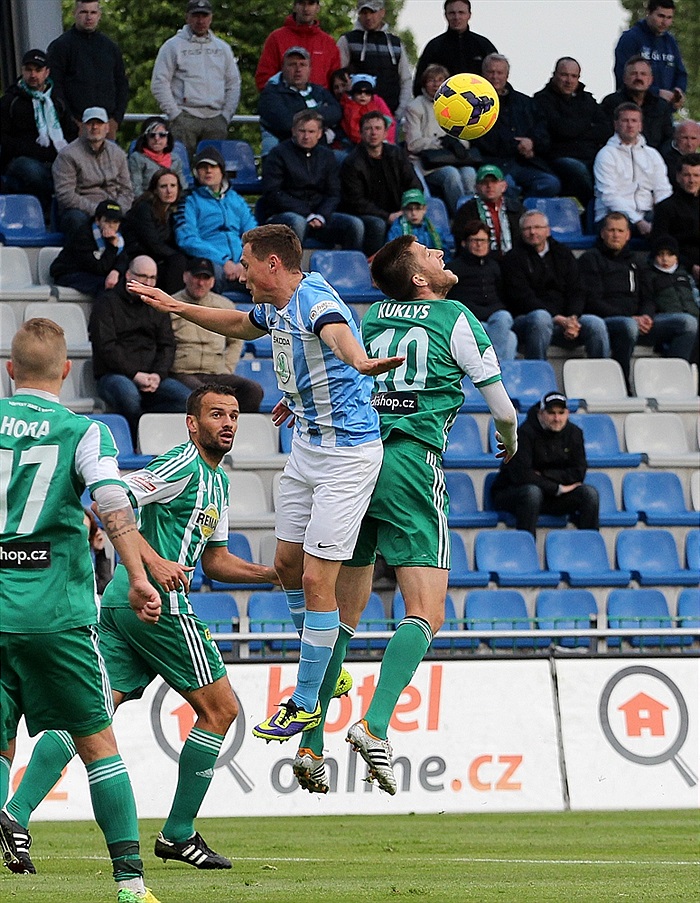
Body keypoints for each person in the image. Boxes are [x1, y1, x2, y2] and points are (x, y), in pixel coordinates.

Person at [129, 224, 403, 743]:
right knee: (286, 567)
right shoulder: (277, 306)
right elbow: (238, 322)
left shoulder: (316, 301)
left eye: (246, 262)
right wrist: (177, 306)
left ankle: (305, 700)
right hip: (307, 445)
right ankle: (326, 670)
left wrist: (361, 362)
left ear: (272, 264)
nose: (240, 272)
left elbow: (337, 335)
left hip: (347, 456)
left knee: (318, 580)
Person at [4, 384, 278, 875]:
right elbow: (116, 500)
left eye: (234, 416)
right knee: (221, 709)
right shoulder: (181, 464)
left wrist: (271, 575)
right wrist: (150, 564)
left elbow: (214, 561)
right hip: (156, 605)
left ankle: (14, 815)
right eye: (216, 414)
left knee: (89, 712)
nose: (228, 424)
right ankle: (178, 833)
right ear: (192, 424)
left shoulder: (218, 482)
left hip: (123, 606)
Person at [290, 234, 518, 795]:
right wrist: (510, 440)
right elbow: (503, 409)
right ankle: (373, 726)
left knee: (342, 617)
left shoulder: (372, 318)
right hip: (411, 465)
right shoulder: (455, 317)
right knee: (427, 611)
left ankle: (311, 743)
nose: (440, 255)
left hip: (356, 461)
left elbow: (336, 374)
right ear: (418, 279)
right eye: (428, 254)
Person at [0, 317, 162, 902]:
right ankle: (131, 886)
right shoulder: (82, 431)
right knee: (97, 743)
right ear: (68, 371)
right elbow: (111, 499)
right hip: (58, 613)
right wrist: (137, 576)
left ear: (10, 370)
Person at [579, 212, 697, 387]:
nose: (615, 235)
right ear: (603, 233)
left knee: (688, 323)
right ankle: (620, 382)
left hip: (639, 321)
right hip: (608, 321)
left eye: (620, 231)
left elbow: (648, 297)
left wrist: (646, 316)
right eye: (611, 230)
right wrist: (630, 318)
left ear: (628, 235)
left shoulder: (637, 261)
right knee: (628, 326)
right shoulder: (590, 259)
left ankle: (672, 382)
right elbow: (592, 301)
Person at [89, 256, 191, 439]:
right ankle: (140, 441)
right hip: (115, 374)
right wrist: (135, 375)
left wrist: (158, 375)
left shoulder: (158, 306)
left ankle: (158, 436)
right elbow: (106, 348)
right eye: (143, 276)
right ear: (128, 275)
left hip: (153, 377)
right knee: (129, 396)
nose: (148, 283)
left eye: (152, 278)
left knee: (187, 400)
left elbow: (167, 345)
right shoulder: (106, 303)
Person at [501, 210, 610, 361]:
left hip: (565, 319)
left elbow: (577, 289)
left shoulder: (563, 253)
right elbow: (522, 298)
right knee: (541, 318)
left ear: (548, 231)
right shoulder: (512, 258)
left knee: (595, 324)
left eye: (537, 227)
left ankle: (600, 373)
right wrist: (557, 318)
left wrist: (573, 318)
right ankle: (538, 371)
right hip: (528, 319)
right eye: (527, 228)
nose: (532, 232)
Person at [491, 391, 599, 537]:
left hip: (552, 495)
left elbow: (579, 472)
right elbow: (522, 475)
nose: (557, 418)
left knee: (589, 494)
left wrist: (545, 476)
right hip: (514, 493)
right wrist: (556, 487)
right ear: (541, 413)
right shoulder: (524, 433)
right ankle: (526, 545)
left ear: (567, 413)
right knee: (532, 493)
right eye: (551, 413)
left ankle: (590, 545)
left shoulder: (575, 433)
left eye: (561, 413)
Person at [257, 109, 364, 251]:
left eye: (311, 132)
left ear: (320, 133)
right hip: (285, 214)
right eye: (302, 131)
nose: (306, 136)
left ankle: (351, 265)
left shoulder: (327, 156)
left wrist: (321, 216)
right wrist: (307, 214)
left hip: (320, 215)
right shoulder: (278, 154)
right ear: (293, 131)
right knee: (298, 222)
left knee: (355, 225)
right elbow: (273, 192)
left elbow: (334, 193)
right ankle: (292, 265)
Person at [170, 257, 264, 411]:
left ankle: (236, 425)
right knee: (206, 395)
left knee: (253, 390)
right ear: (185, 277)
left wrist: (228, 367)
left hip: (217, 373)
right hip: (183, 373)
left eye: (206, 278)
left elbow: (236, 340)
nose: (201, 283)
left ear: (213, 281)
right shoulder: (172, 304)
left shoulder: (224, 305)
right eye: (197, 277)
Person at [151, 0, 242, 157]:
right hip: (184, 117)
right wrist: (175, 114)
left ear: (211, 18)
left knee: (213, 167)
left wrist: (226, 115)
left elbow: (233, 83)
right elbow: (159, 82)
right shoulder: (172, 46)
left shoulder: (223, 48)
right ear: (187, 17)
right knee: (180, 166)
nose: (200, 21)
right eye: (196, 16)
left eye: (204, 16)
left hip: (216, 119)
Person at [0, 48, 77, 213]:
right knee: (33, 172)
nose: (33, 75)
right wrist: (29, 149)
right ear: (22, 71)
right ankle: (45, 214)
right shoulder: (10, 101)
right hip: (19, 161)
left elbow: (71, 133)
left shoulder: (57, 102)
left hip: (56, 158)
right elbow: (4, 139)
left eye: (38, 70)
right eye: (28, 70)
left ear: (47, 72)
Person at [473, 53, 560, 199]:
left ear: (507, 75)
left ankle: (526, 209)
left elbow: (542, 131)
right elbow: (480, 139)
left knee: (551, 183)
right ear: (483, 74)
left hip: (526, 163)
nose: (495, 77)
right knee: (507, 187)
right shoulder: (473, 105)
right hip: (494, 165)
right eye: (491, 72)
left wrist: (532, 143)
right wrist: (517, 145)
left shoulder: (525, 103)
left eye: (499, 72)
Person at [175, 147, 257, 294]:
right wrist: (224, 261)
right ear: (196, 172)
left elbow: (254, 234)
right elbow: (187, 239)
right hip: (212, 262)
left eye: (213, 166)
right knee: (208, 272)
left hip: (241, 262)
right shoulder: (189, 201)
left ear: (222, 171)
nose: (208, 171)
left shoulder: (236, 199)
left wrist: (245, 261)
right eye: (203, 167)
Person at [340, 111, 422, 256]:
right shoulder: (352, 162)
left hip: (398, 210)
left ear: (385, 133)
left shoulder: (396, 154)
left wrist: (406, 208)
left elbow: (414, 184)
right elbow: (355, 201)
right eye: (368, 129)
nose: (373, 133)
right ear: (361, 133)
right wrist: (387, 216)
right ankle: (374, 264)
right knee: (378, 224)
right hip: (367, 214)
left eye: (378, 128)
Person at [46, 0, 129, 140]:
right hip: (73, 130)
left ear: (99, 15)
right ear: (74, 13)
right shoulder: (60, 47)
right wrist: (72, 122)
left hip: (106, 128)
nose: (89, 17)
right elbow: (54, 87)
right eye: (83, 12)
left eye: (93, 12)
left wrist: (115, 120)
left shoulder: (110, 48)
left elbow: (122, 84)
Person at [533, 57, 609, 206]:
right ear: (554, 75)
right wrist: (587, 125)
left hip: (591, 156)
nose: (569, 81)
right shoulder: (542, 100)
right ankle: (596, 205)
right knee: (577, 169)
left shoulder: (587, 100)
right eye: (564, 75)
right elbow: (561, 129)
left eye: (574, 76)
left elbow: (605, 129)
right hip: (559, 158)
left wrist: (574, 130)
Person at [404, 63, 477, 215]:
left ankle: (474, 215)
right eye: (432, 80)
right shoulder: (415, 107)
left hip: (453, 159)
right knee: (451, 175)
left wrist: (456, 143)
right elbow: (413, 144)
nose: (436, 84)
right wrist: (440, 142)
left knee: (470, 173)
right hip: (427, 163)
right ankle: (461, 215)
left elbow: (465, 139)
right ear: (425, 83)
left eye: (440, 80)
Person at [52, 105, 133, 238]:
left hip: (114, 208)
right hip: (82, 210)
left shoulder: (118, 153)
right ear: (83, 127)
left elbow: (127, 190)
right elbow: (65, 195)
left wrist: (115, 212)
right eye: (90, 123)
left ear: (107, 127)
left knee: (139, 218)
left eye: (99, 123)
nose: (95, 127)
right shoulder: (67, 155)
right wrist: (99, 212)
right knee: (75, 219)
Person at [593, 102, 672, 236]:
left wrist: (665, 215)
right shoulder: (606, 154)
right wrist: (638, 221)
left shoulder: (652, 154)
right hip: (613, 216)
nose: (630, 125)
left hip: (647, 213)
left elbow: (663, 190)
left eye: (634, 121)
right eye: (625, 121)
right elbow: (609, 196)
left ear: (640, 125)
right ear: (616, 125)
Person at [448, 218, 517, 361]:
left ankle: (492, 365)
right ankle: (495, 367)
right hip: (470, 320)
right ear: (464, 243)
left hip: (493, 317)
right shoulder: (454, 268)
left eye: (483, 240)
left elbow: (500, 294)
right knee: (510, 338)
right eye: (475, 240)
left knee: (504, 318)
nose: (479, 245)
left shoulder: (494, 266)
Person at [257, 46, 342, 158]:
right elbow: (286, 124)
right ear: (283, 68)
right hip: (285, 154)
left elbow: (336, 112)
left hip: (321, 152)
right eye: (292, 64)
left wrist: (300, 114)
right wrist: (320, 118)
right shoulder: (271, 94)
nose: (298, 69)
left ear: (310, 69)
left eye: (303, 65)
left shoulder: (319, 91)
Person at [337, 0, 413, 120]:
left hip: (391, 115)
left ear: (382, 12)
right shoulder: (347, 40)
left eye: (372, 12)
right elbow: (338, 78)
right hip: (357, 118)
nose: (368, 17)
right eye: (364, 13)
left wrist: (400, 111)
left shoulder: (396, 43)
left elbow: (406, 79)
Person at [122, 168, 189, 295]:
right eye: (163, 186)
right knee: (178, 260)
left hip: (157, 256)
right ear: (155, 190)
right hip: (138, 255)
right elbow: (153, 243)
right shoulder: (143, 208)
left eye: (173, 186)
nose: (169, 191)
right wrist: (177, 255)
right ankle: (172, 302)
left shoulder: (171, 211)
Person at [413, 0, 498, 96]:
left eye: (461, 13)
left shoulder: (483, 45)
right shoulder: (434, 47)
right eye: (452, 13)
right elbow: (419, 84)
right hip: (443, 103)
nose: (457, 17)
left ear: (469, 15)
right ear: (445, 15)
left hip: (478, 102)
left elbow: (499, 79)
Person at [614, 0, 687, 109]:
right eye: (661, 16)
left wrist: (679, 90)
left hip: (663, 110)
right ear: (648, 13)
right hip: (634, 109)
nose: (665, 22)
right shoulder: (630, 39)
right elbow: (622, 75)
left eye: (669, 18)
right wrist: (657, 92)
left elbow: (681, 73)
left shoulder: (670, 41)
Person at [255, 0, 341, 91]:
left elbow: (337, 83)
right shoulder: (276, 38)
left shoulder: (328, 42)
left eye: (311, 3)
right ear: (294, 7)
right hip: (283, 98)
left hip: (320, 99)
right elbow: (264, 78)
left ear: (318, 7)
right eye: (302, 3)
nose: (306, 8)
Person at [49, 199, 127, 297]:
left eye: (115, 222)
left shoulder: (119, 237)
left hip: (92, 272)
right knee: (107, 286)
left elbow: (125, 258)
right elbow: (99, 268)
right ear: (97, 220)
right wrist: (112, 247)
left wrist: (116, 271)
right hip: (69, 273)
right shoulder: (83, 236)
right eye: (107, 221)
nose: (111, 226)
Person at [602, 56, 674, 151]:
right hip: (618, 154)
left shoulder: (661, 106)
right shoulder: (611, 103)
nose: (639, 78)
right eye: (633, 74)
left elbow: (668, 138)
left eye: (643, 74)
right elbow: (604, 134)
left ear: (650, 80)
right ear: (624, 78)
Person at [451, 164, 522, 257]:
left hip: (513, 260)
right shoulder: (465, 211)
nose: (489, 186)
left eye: (494, 182)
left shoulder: (517, 209)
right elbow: (461, 244)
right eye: (484, 182)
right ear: (476, 187)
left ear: (504, 186)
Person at [652, 153, 700, 282]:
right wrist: (691, 266)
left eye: (696, 175)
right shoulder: (665, 207)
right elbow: (659, 244)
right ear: (678, 177)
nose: (692, 180)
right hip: (680, 269)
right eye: (687, 175)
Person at [643, 235, 699, 336]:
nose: (665, 259)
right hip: (667, 317)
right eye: (660, 254)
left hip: (693, 314)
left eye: (669, 254)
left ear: (676, 257)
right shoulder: (649, 276)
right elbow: (648, 300)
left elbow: (696, 297)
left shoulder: (684, 274)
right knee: (688, 322)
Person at [127, 118, 187, 198]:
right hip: (147, 201)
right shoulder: (136, 158)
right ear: (146, 138)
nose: (157, 139)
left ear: (168, 139)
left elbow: (183, 187)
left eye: (162, 135)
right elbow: (136, 189)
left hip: (173, 201)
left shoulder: (175, 159)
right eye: (152, 135)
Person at [386, 188, 452, 255]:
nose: (413, 213)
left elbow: (445, 253)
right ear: (403, 210)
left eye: (418, 208)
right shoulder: (396, 230)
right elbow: (392, 254)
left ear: (424, 209)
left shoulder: (434, 229)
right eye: (409, 209)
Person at [340, 73, 396, 146]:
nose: (363, 95)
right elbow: (353, 130)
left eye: (367, 93)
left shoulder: (377, 102)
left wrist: (385, 140)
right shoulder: (349, 107)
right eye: (359, 92)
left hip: (382, 141)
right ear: (353, 94)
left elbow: (390, 123)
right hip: (358, 144)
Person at [660, 120, 700, 184]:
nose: (689, 143)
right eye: (685, 138)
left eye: (693, 138)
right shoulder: (664, 160)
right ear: (675, 137)